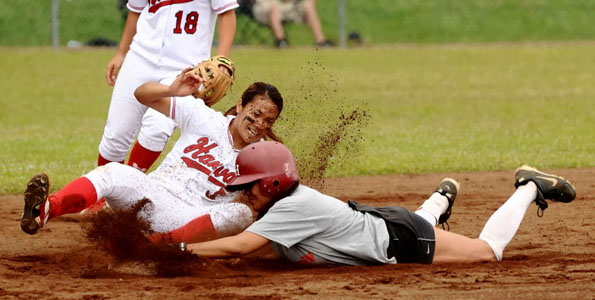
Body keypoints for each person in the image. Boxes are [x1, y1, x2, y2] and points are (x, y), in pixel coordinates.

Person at [185, 141, 576, 265]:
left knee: (487, 252)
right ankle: (439, 200)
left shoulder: (289, 208)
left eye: (250, 185)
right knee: (419, 220)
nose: (244, 192)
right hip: (389, 224)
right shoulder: (283, 208)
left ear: (272, 182)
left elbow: (240, 245)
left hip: (404, 240)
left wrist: (183, 251)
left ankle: (528, 186)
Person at [20, 71, 284, 245]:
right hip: (149, 196)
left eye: (268, 120)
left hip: (190, 219)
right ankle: (45, 210)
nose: (259, 124)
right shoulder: (205, 117)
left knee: (240, 214)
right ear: (240, 105)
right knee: (113, 171)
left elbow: (264, 207)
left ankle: (151, 248)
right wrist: (172, 89)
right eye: (255, 113)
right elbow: (141, 94)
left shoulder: (263, 156)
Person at [100, 0, 238, 173]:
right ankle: (103, 194)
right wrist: (121, 53)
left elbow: (227, 13)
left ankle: (127, 187)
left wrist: (221, 59)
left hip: (186, 67)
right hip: (140, 58)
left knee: (157, 129)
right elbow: (135, 11)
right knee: (116, 134)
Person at [251, 0, 332, 48]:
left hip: (284, 5)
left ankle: (321, 41)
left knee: (308, 6)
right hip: (263, 7)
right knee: (274, 8)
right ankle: (281, 41)